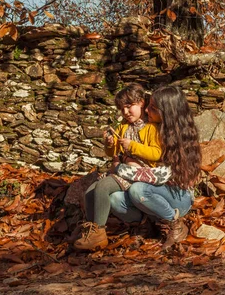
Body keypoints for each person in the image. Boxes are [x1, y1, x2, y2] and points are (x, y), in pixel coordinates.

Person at [73, 83, 166, 251]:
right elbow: (113, 153)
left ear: (141, 103)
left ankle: (99, 233)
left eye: (129, 107)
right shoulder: (123, 127)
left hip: (140, 173)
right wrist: (109, 144)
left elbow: (156, 154)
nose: (125, 112)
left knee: (102, 187)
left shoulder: (151, 127)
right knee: (89, 192)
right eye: (122, 109)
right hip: (123, 171)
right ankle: (90, 231)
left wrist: (133, 146)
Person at [110, 85, 202, 250]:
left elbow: (159, 175)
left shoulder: (178, 138)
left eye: (152, 107)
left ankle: (175, 224)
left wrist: (121, 168)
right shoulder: (148, 129)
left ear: (167, 112)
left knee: (138, 190)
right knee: (115, 199)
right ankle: (146, 225)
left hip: (177, 197)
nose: (146, 109)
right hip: (152, 195)